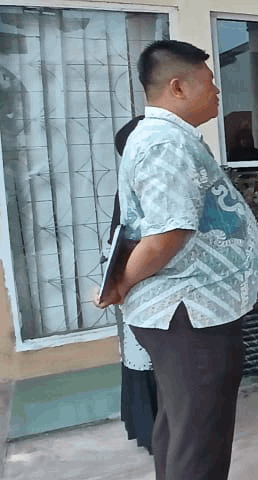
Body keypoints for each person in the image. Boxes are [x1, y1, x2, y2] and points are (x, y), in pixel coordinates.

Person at [95, 40, 258, 480]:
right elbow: (167, 235)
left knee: (182, 424)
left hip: (194, 311)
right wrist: (122, 283)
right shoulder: (165, 144)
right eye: (209, 83)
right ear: (178, 87)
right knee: (200, 439)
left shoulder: (171, 138)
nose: (217, 92)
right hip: (189, 313)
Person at [108, 115, 157, 455]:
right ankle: (153, 431)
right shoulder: (137, 187)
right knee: (145, 356)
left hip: (139, 282)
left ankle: (152, 429)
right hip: (140, 283)